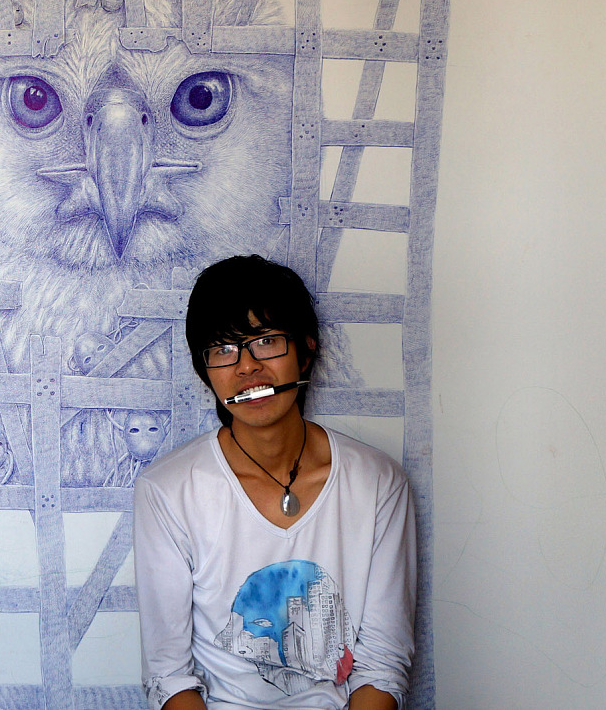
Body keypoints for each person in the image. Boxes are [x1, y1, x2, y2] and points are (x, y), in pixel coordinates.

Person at [133, 255, 415, 709]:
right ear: (205, 371)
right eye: (223, 349)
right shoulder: (167, 490)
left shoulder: (378, 482)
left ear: (306, 349)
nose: (247, 367)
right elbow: (169, 677)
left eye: (266, 341)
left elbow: (382, 667)